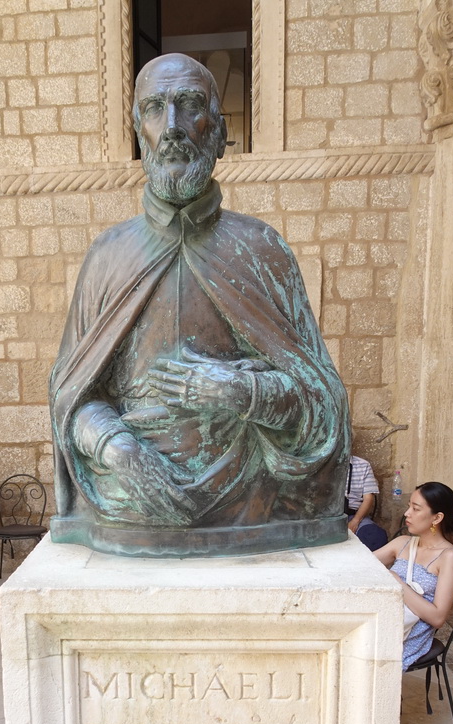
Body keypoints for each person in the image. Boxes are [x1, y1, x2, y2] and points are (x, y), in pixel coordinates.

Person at [50, 53, 349, 557]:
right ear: (138, 129)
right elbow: (71, 393)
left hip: (248, 499)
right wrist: (116, 447)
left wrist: (243, 391)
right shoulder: (108, 255)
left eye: (189, 106)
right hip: (127, 495)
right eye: (155, 108)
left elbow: (321, 403)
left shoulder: (261, 249)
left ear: (219, 128)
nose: (172, 127)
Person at [374, 482, 453, 669]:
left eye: (416, 509)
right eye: (409, 506)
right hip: (385, 618)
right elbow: (363, 566)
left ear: (437, 517)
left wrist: (398, 583)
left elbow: (438, 618)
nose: (407, 513)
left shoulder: (449, 557)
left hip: (410, 633)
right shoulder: (403, 543)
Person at [345, 455, 387, 551]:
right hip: (325, 517)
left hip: (353, 515)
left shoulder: (363, 465)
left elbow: (368, 498)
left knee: (374, 536)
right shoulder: (317, 462)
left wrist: (355, 522)